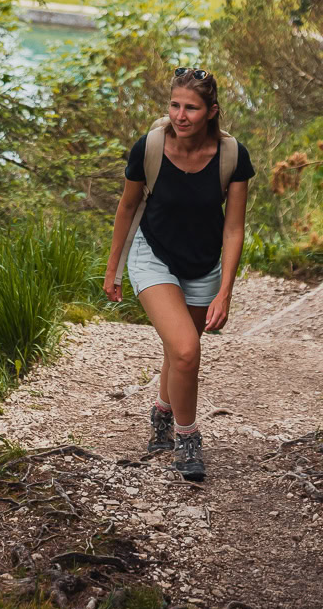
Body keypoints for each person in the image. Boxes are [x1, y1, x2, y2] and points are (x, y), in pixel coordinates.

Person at [103, 69, 255, 481]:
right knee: (187, 350)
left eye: (191, 107)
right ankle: (187, 440)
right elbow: (127, 207)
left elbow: (234, 228)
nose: (181, 115)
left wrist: (225, 291)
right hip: (152, 255)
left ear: (211, 112)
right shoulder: (149, 147)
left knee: (179, 352)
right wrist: (113, 267)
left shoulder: (231, 156)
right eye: (175, 105)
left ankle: (162, 412)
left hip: (203, 265)